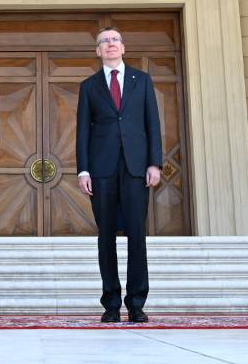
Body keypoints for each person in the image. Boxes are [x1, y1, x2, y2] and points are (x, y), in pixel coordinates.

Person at [76, 26, 162, 323]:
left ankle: (136, 303)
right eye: (104, 41)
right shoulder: (89, 86)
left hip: (136, 168)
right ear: (98, 51)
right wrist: (83, 170)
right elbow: (83, 131)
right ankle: (111, 303)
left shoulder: (142, 81)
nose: (110, 44)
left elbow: (152, 124)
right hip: (101, 170)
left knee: (137, 234)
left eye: (115, 40)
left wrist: (154, 163)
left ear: (123, 48)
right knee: (106, 236)